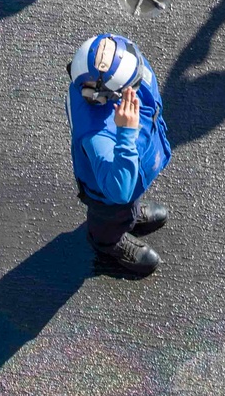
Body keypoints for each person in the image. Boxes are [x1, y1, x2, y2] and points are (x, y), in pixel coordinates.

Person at [66, 34, 172, 275]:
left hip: (129, 178)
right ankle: (107, 242)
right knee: (110, 219)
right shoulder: (97, 136)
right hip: (109, 197)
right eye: (131, 86)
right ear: (103, 96)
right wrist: (126, 132)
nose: (139, 83)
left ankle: (130, 216)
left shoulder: (121, 67)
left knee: (126, 209)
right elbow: (119, 191)